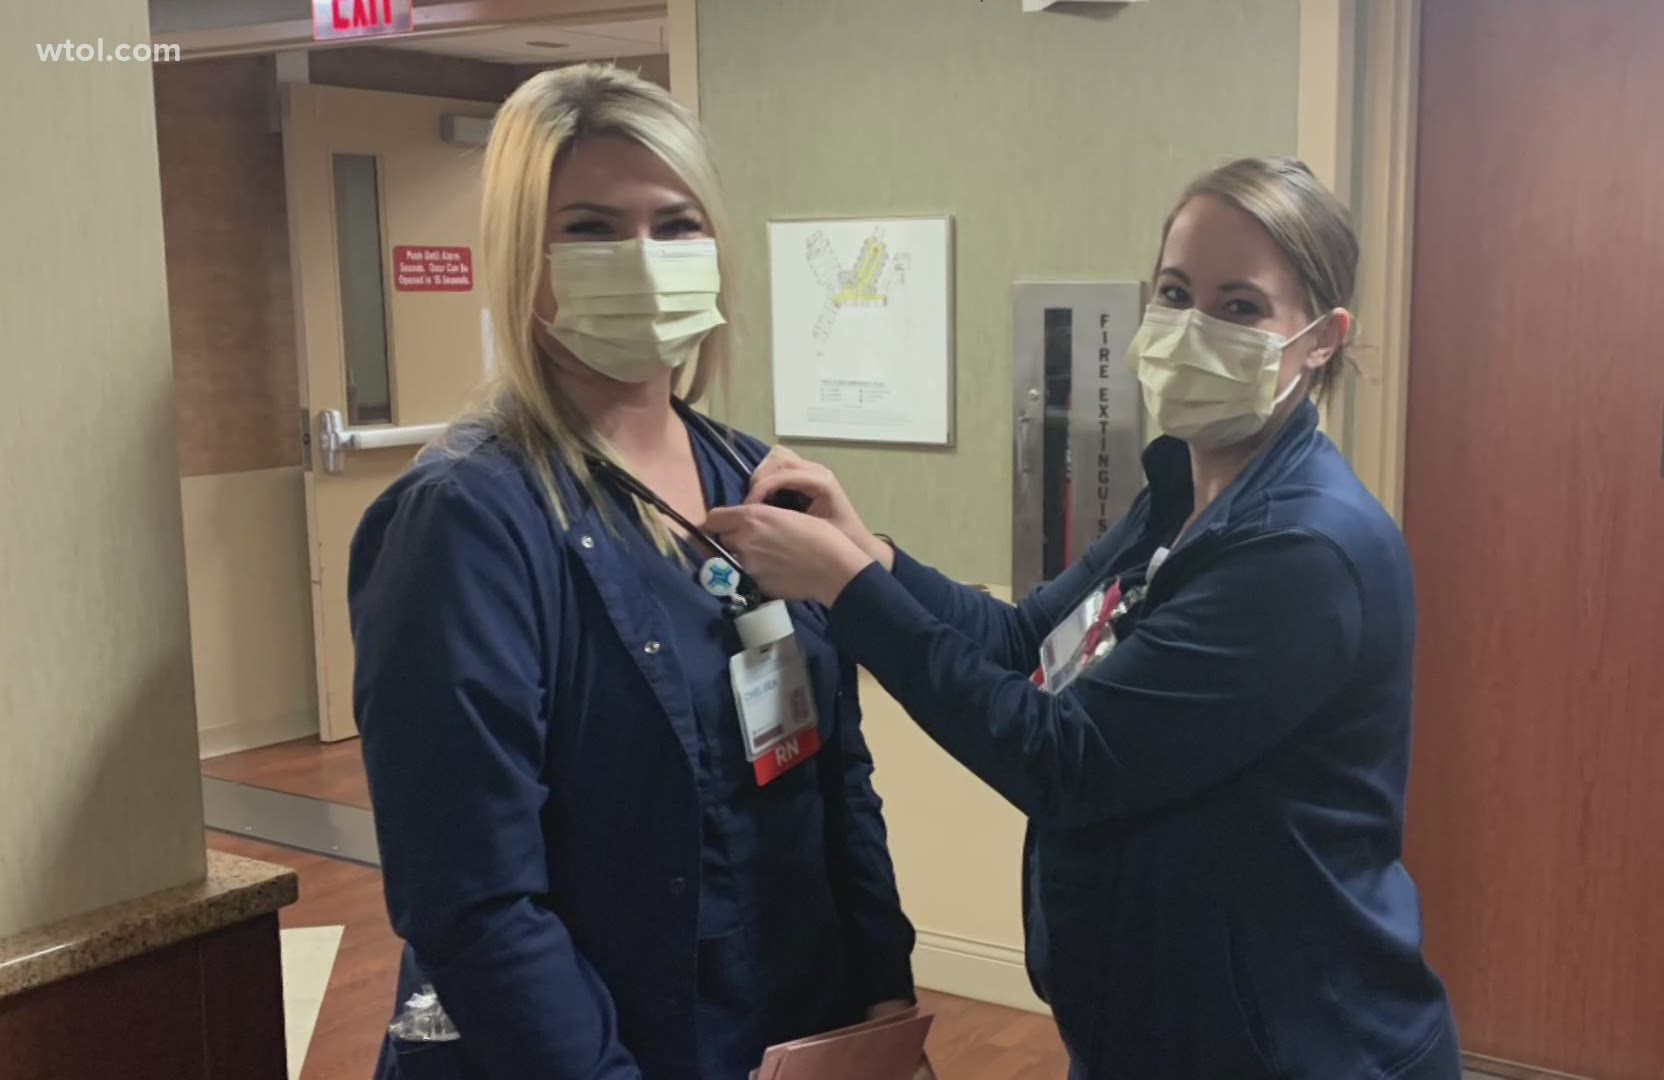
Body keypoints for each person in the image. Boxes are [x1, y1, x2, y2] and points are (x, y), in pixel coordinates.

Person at [707, 158, 1460, 1079]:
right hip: (1159, 1025)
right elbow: (1026, 645)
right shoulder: (1182, 492)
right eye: (1176, 293)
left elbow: (1062, 757)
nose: (1191, 330)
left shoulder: (1303, 553)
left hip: (1295, 1044)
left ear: (1320, 339)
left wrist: (850, 594)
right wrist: (873, 555)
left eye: (1240, 307)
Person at [349, 64, 920, 1080]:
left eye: (675, 223)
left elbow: (836, 772)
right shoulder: (468, 522)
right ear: (523, 259)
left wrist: (879, 996)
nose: (645, 261)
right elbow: (475, 900)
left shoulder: (758, 480)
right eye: (591, 228)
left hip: (784, 1025)